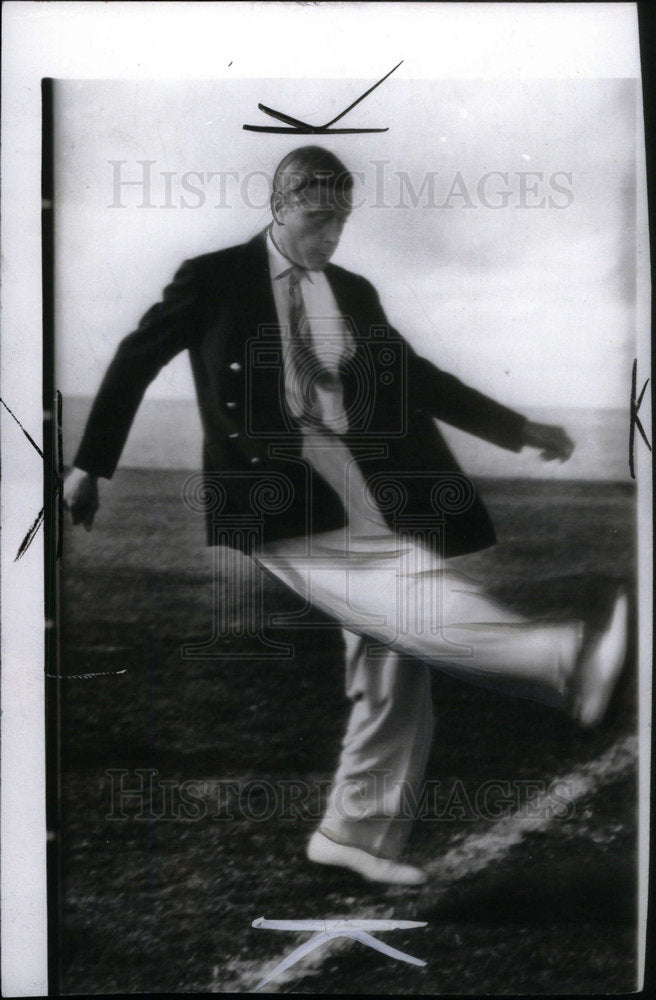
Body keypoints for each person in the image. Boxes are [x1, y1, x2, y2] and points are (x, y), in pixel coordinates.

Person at [65, 145, 628, 887]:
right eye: (319, 217)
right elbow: (136, 359)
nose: (331, 235)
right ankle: (566, 664)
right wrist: (89, 464)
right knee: (410, 595)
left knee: (395, 656)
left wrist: (518, 429)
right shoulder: (214, 278)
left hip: (362, 480)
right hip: (274, 492)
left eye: (343, 220)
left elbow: (414, 378)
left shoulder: (352, 291)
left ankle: (352, 834)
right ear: (281, 204)